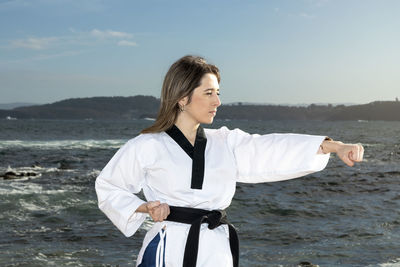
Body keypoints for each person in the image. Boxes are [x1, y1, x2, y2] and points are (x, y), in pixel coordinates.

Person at [95, 55, 364, 267]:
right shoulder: (147, 145)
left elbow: (270, 148)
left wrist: (334, 146)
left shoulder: (225, 141)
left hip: (216, 250)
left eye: (218, 92)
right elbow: (108, 187)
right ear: (183, 98)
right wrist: (145, 207)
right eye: (209, 93)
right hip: (170, 250)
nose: (218, 101)